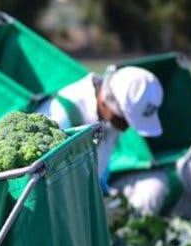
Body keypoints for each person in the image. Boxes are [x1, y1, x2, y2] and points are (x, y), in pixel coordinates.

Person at [34, 66, 164, 189]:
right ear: (106, 101)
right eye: (125, 120)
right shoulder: (60, 117)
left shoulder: (109, 116)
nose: (126, 128)